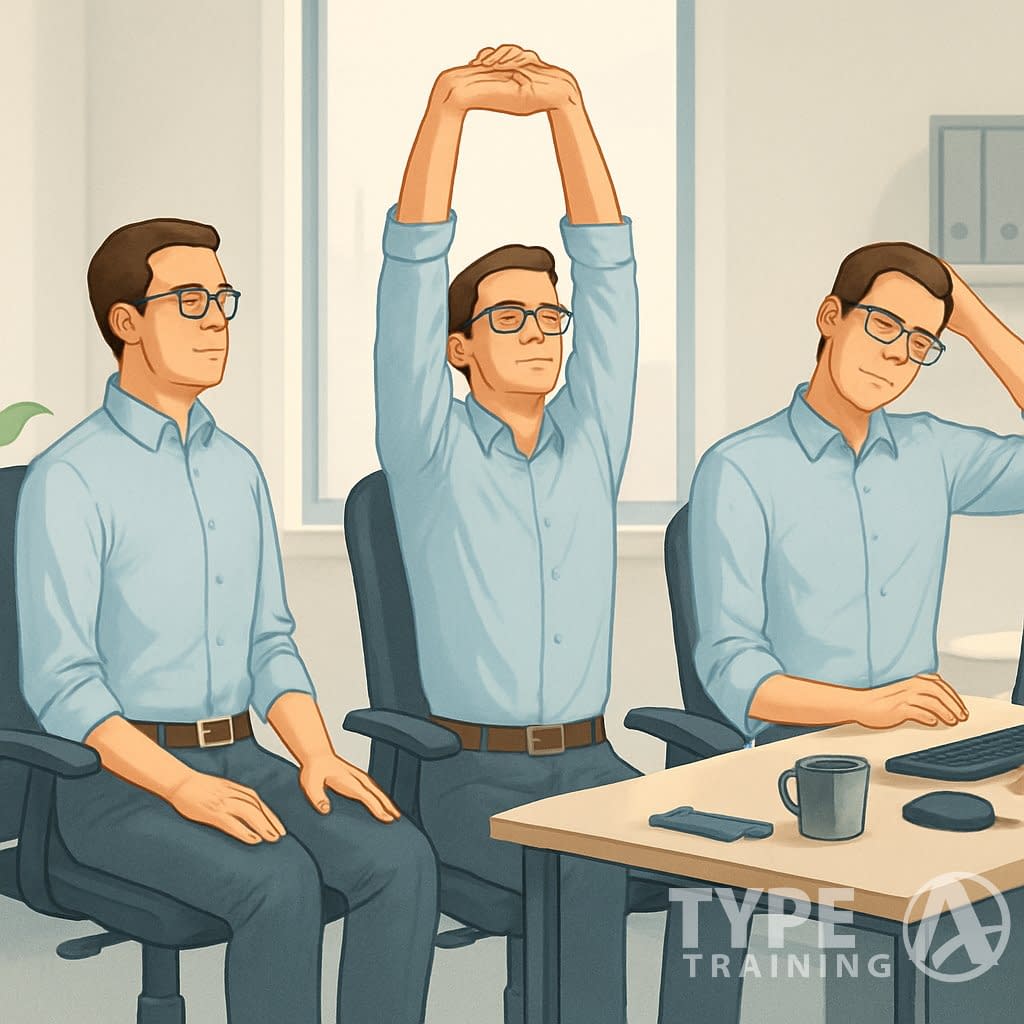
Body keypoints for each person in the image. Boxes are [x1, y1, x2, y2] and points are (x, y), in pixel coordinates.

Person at [16, 218, 438, 1024]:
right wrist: (183, 789)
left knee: (400, 859)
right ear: (126, 322)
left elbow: (269, 642)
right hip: (121, 783)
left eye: (221, 297)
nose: (215, 318)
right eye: (188, 299)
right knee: (279, 881)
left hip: (243, 755)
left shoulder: (236, 468)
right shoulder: (69, 478)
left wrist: (314, 753)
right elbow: (65, 688)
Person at [373, 43, 705, 1024]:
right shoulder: (427, 447)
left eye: (547, 314)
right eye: (506, 313)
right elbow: (410, 265)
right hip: (472, 775)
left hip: (590, 758)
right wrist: (448, 108)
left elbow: (612, 273)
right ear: (458, 347)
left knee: (724, 853)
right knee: (592, 864)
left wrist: (566, 107)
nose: (538, 328)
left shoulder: (590, 438)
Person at [686, 240, 1024, 1021]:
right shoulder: (740, 469)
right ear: (830, 317)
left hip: (923, 751)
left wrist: (966, 315)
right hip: (807, 761)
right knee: (939, 909)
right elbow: (732, 669)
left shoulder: (932, 452)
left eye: (919, 344)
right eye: (883, 326)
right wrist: (868, 706)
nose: (897, 357)